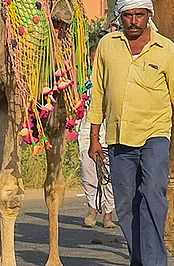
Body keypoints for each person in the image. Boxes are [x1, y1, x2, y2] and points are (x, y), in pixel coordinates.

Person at [88, 0, 174, 266]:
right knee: (125, 205)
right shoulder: (107, 46)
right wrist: (94, 137)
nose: (134, 21)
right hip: (118, 136)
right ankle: (139, 259)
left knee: (153, 195)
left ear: (149, 15)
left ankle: (154, 262)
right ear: (121, 17)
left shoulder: (166, 49)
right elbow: (98, 93)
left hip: (155, 135)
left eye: (139, 15)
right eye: (128, 15)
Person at [78, 43, 115, 228]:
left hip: (108, 129)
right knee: (88, 169)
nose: (94, 64)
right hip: (86, 129)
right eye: (91, 60)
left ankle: (108, 214)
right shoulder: (82, 81)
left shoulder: (112, 78)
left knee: (108, 172)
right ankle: (92, 208)